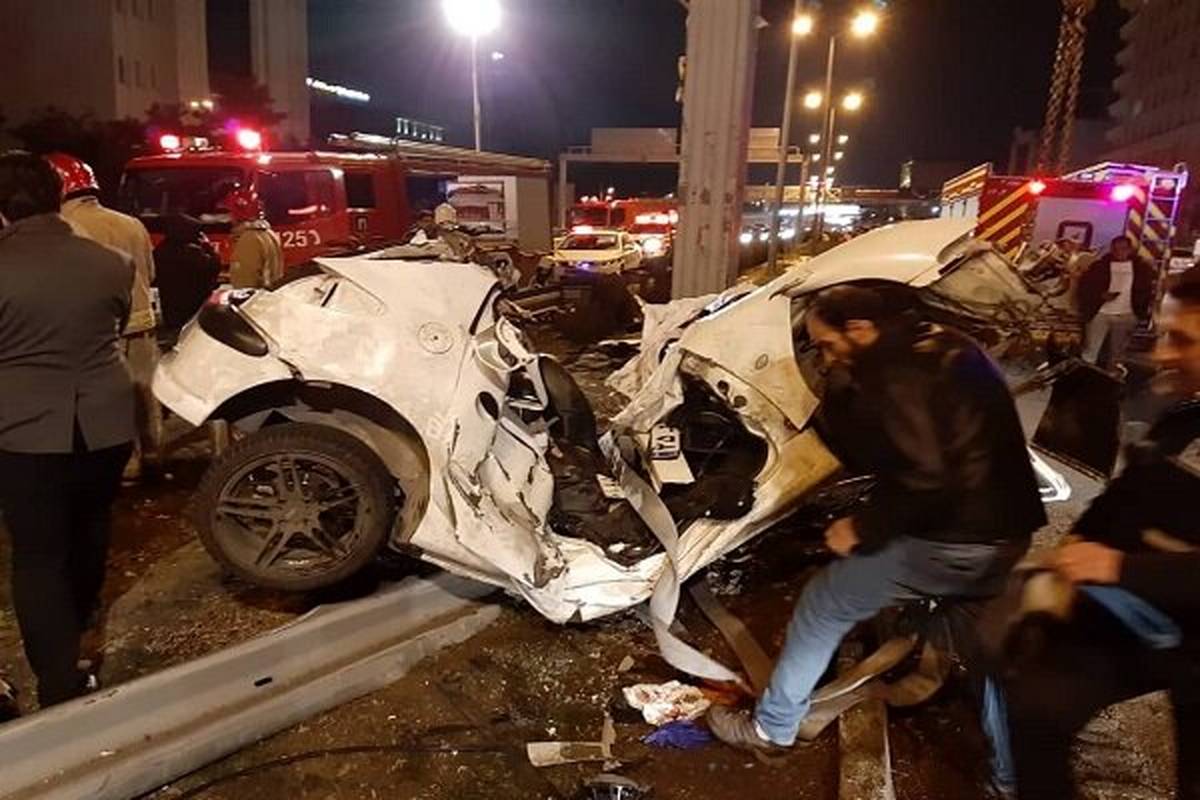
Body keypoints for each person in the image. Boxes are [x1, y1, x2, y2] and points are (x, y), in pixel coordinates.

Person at [708, 286, 1046, 793]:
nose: (825, 356)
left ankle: (771, 729)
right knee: (985, 643)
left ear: (860, 328)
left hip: (951, 539)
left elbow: (926, 475)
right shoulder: (949, 342)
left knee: (825, 602)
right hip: (1007, 533)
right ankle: (1010, 779)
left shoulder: (894, 376)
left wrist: (862, 528)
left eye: (827, 344)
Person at [1002, 279, 1200, 800]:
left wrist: (1118, 568)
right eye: (1165, 335)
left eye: (1183, 340)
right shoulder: (1182, 415)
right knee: (1037, 703)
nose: (1163, 354)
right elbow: (1132, 493)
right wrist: (1076, 545)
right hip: (1149, 617)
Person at [0, 152, 135, 707]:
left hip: (25, 429)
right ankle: (78, 627)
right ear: (58, 197)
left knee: (38, 555)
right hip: (106, 421)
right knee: (91, 528)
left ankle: (58, 678)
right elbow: (115, 325)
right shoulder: (113, 261)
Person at [47, 152, 159, 479]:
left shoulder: (66, 228)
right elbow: (150, 273)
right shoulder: (131, 224)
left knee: (111, 399)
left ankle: (127, 464)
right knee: (145, 393)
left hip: (103, 327)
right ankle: (153, 455)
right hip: (143, 320)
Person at [1076, 234, 1156, 370]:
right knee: (1090, 351)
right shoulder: (1100, 266)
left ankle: (1112, 378)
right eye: (1116, 249)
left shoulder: (1141, 268)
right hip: (1101, 314)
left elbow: (1147, 290)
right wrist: (1100, 296)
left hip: (1126, 315)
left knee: (1117, 355)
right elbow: (1085, 287)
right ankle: (1086, 376)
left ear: (1130, 250)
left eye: (1123, 249)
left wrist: (1140, 311)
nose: (1120, 252)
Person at [153, 214, 221, 340]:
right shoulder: (192, 252)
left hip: (171, 310)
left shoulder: (161, 249)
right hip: (193, 311)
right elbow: (214, 267)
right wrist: (209, 248)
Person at [221, 185, 283, 290]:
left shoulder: (249, 239)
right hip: (268, 295)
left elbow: (245, 283)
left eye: (230, 212)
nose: (229, 217)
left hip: (256, 298)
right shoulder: (268, 233)